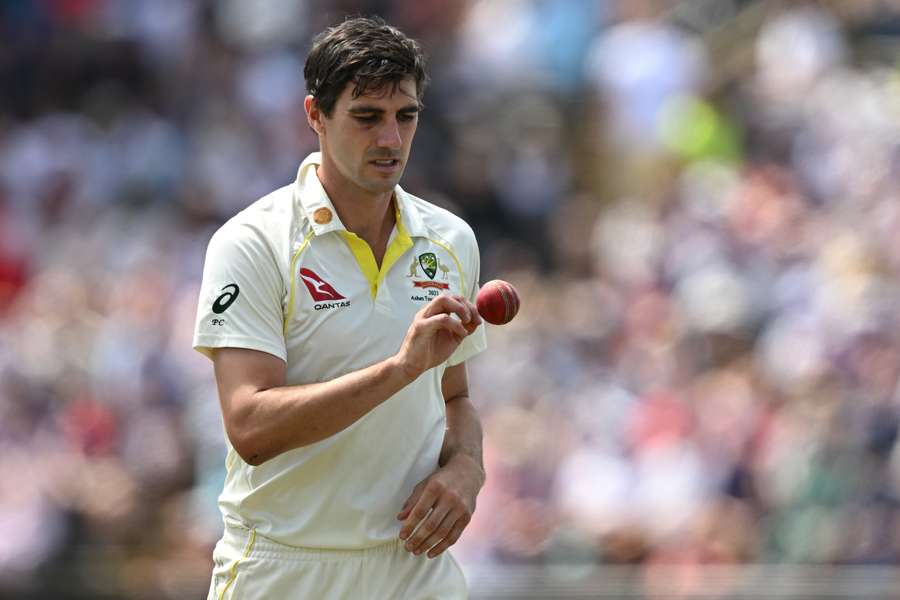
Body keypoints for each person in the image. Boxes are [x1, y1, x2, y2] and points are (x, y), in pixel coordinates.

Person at [193, 16, 488, 600]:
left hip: (412, 568)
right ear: (314, 116)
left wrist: (467, 469)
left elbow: (455, 397)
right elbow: (250, 426)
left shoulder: (451, 240)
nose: (390, 140)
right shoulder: (253, 242)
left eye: (406, 117)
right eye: (366, 117)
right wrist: (399, 370)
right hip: (285, 568)